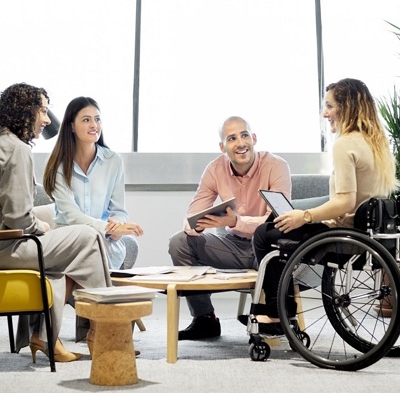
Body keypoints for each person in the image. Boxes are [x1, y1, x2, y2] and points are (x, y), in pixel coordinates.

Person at [252, 77, 399, 334]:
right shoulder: (376, 143)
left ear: (347, 107)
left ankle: (278, 313)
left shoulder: (345, 144)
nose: (325, 113)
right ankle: (282, 309)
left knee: (264, 234)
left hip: (345, 239)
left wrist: (305, 216)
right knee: (276, 223)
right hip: (372, 238)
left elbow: (345, 202)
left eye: (330, 106)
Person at [0, 82, 112, 362]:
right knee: (88, 237)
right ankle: (105, 332)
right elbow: (17, 218)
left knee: (64, 254)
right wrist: (42, 227)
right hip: (9, 247)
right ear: (25, 112)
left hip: (5, 240)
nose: (48, 120)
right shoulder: (16, 149)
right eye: (42, 110)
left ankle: (46, 337)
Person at [168, 116, 291, 340]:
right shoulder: (215, 169)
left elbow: (278, 221)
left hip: (266, 247)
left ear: (254, 138)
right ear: (222, 147)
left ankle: (277, 317)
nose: (240, 143)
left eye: (244, 135)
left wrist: (236, 221)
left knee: (274, 243)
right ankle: (205, 319)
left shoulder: (276, 166)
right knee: (180, 242)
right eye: (232, 138)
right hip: (232, 245)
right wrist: (199, 225)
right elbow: (191, 216)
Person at [43, 96, 144, 270]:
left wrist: (117, 227)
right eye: (86, 120)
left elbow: (118, 210)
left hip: (103, 239)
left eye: (97, 119)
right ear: (72, 126)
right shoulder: (58, 164)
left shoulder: (113, 161)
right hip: (68, 238)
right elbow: (71, 215)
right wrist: (107, 228)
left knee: (101, 248)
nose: (94, 125)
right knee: (93, 249)